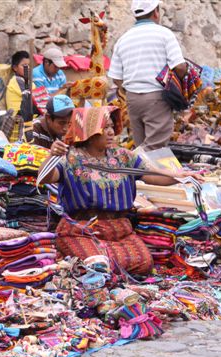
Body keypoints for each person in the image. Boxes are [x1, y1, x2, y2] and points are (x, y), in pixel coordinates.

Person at [39, 106, 202, 275]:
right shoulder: (70, 158)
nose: (110, 132)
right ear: (89, 130)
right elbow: (45, 177)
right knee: (98, 266)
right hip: (81, 230)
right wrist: (52, 156)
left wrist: (182, 176)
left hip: (120, 231)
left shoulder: (123, 156)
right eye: (105, 127)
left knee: (144, 264)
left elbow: (153, 176)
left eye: (111, 127)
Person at [108, 0, 187, 151]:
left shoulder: (123, 39)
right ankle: (130, 163)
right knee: (154, 148)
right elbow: (180, 66)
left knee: (141, 144)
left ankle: (139, 171)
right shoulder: (164, 34)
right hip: (156, 98)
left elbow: (116, 78)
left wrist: (129, 91)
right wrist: (182, 83)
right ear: (156, 11)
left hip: (133, 100)